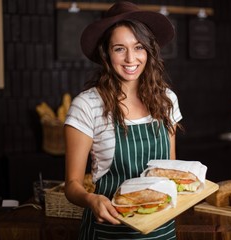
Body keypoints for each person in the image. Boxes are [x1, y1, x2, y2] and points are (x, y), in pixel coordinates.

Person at [64, 2, 182, 239]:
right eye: (119, 48)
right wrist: (91, 199)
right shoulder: (87, 105)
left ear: (149, 50)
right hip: (110, 229)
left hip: (161, 229)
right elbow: (72, 185)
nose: (131, 58)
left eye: (138, 47)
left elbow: (169, 167)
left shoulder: (166, 99)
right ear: (106, 53)